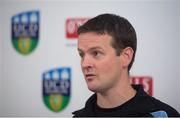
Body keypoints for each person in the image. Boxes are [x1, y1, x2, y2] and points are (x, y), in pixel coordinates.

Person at [72, 13, 180, 117]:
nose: (85, 64)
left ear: (126, 57)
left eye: (96, 53)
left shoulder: (164, 115)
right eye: (82, 55)